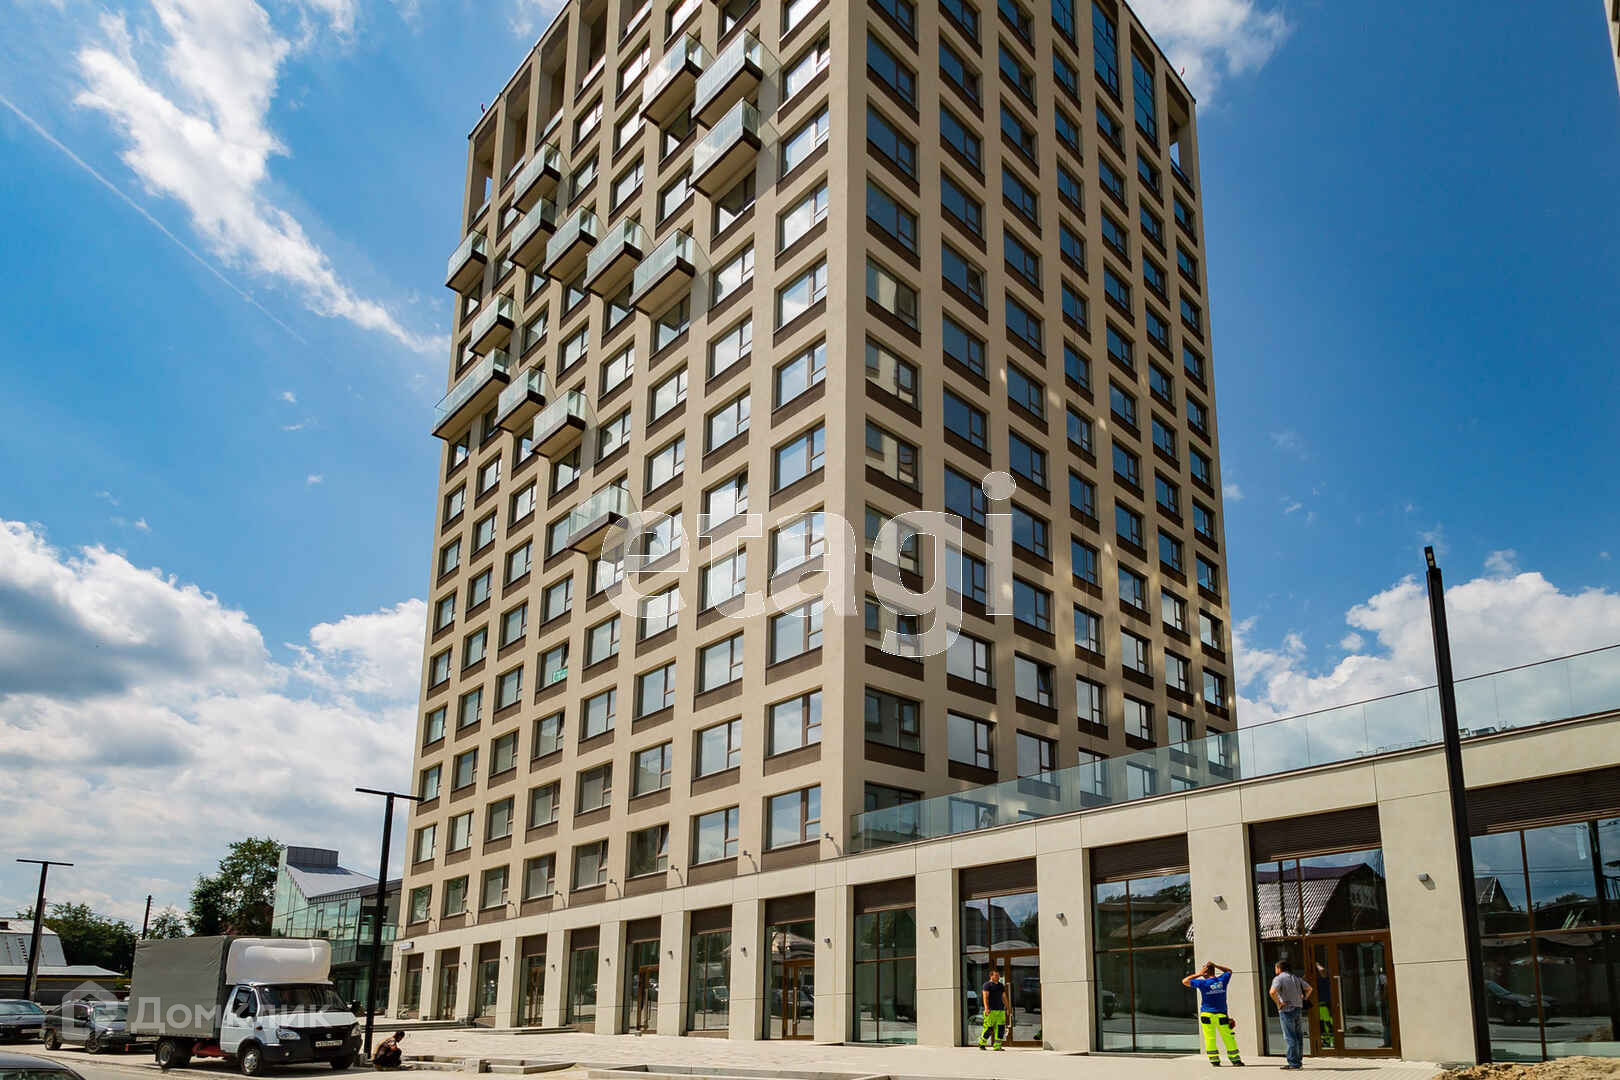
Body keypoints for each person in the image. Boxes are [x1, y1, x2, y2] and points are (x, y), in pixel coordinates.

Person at [1183, 961, 1243, 1067]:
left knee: (1209, 1038)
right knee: (1228, 1037)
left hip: (1206, 1015)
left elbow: (1185, 981)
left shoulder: (1202, 983)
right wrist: (1215, 965)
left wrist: (1199, 974)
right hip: (1221, 1015)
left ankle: (1214, 1060)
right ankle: (1236, 1060)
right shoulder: (1222, 980)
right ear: (1214, 970)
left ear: (1205, 972)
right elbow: (1229, 971)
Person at [1269, 960, 1314, 1071]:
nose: (1275, 970)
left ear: (1279, 968)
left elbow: (1272, 992)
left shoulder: (1279, 978)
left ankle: (1294, 1063)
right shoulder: (1296, 978)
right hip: (1297, 1008)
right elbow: (1309, 989)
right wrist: (1303, 998)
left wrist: (1278, 1003)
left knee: (1290, 1036)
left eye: (1276, 967)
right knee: (1298, 1036)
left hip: (1286, 1010)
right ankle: (1298, 1062)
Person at [977, 969, 1007, 1050]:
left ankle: (997, 1046)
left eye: (998, 975)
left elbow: (1004, 997)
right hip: (991, 1010)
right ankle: (982, 1043)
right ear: (991, 976)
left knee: (1000, 1028)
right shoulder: (987, 985)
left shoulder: (1001, 985)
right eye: (996, 975)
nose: (998, 977)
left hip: (1000, 1010)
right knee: (989, 1028)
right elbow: (985, 997)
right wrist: (986, 1008)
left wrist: (1007, 1008)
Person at [1313, 962, 1334, 1050]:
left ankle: (1331, 1041)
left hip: (1325, 1005)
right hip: (1318, 1005)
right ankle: (1325, 1041)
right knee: (1321, 1025)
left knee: (1328, 1024)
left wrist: (1316, 964)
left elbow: (1323, 971)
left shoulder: (1325, 979)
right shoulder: (1314, 979)